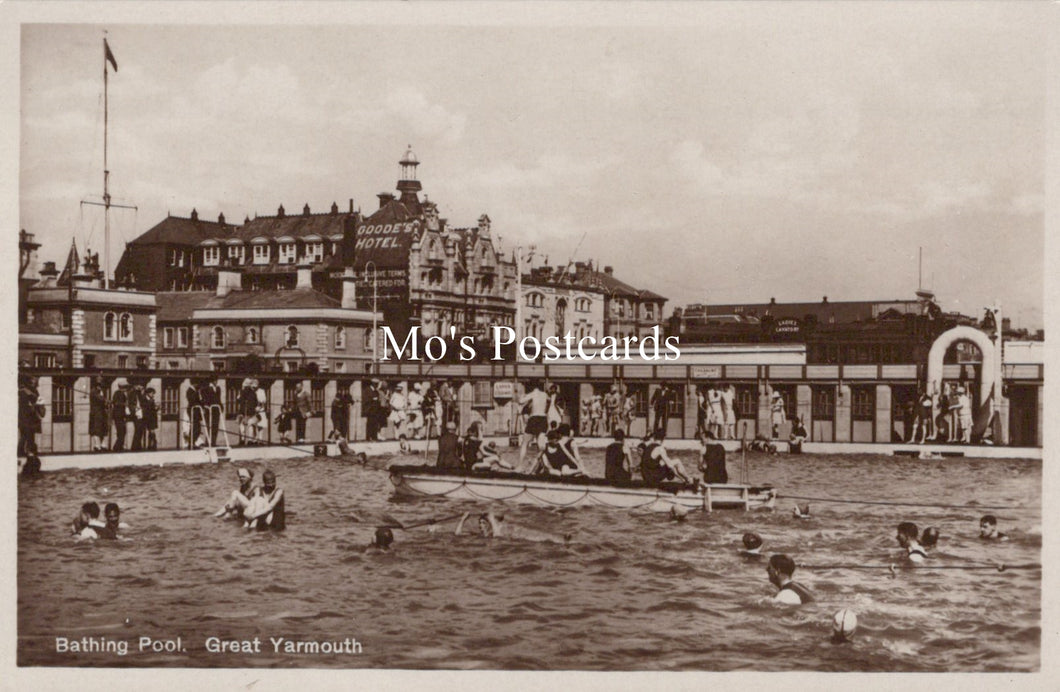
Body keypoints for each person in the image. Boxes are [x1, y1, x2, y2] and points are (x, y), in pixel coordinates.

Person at [454, 511, 571, 544]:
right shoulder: (480, 535)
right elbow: (458, 534)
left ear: (489, 525)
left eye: (484, 523)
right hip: (517, 539)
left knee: (535, 535)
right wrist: (463, 519)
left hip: (515, 536)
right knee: (535, 539)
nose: (481, 526)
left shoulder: (493, 532)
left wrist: (491, 519)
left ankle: (561, 538)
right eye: (480, 524)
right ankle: (561, 540)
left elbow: (497, 534)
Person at [518, 381, 549, 469]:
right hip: (543, 418)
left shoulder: (532, 394)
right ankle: (544, 466)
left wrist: (522, 395)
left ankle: (520, 466)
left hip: (534, 418)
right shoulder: (545, 395)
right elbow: (549, 402)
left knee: (525, 443)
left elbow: (520, 401)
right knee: (541, 445)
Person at [18, 374, 45, 457]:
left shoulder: (33, 391)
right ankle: (27, 452)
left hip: (30, 419)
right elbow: (30, 404)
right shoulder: (24, 391)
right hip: (27, 419)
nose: (37, 382)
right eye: (35, 380)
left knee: (27, 436)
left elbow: (38, 402)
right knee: (27, 436)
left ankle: (26, 451)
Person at [89, 377, 109, 452]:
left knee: (104, 429)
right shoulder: (93, 391)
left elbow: (104, 401)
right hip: (96, 413)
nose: (100, 387)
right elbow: (100, 399)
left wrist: (107, 402)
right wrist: (105, 400)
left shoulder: (101, 391)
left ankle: (103, 445)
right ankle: (97, 446)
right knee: (96, 429)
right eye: (99, 385)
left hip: (102, 413)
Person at [237, 379, 259, 445]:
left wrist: (241, 412)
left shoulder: (242, 392)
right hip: (251, 412)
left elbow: (240, 401)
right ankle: (250, 440)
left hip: (244, 411)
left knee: (242, 425)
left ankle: (243, 439)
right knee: (250, 425)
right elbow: (256, 402)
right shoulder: (253, 393)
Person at [110, 382, 130, 452]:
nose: (126, 389)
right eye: (125, 387)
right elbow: (115, 403)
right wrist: (124, 404)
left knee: (123, 431)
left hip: (121, 415)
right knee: (121, 431)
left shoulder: (123, 394)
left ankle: (119, 446)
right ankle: (117, 447)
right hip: (118, 415)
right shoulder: (117, 393)